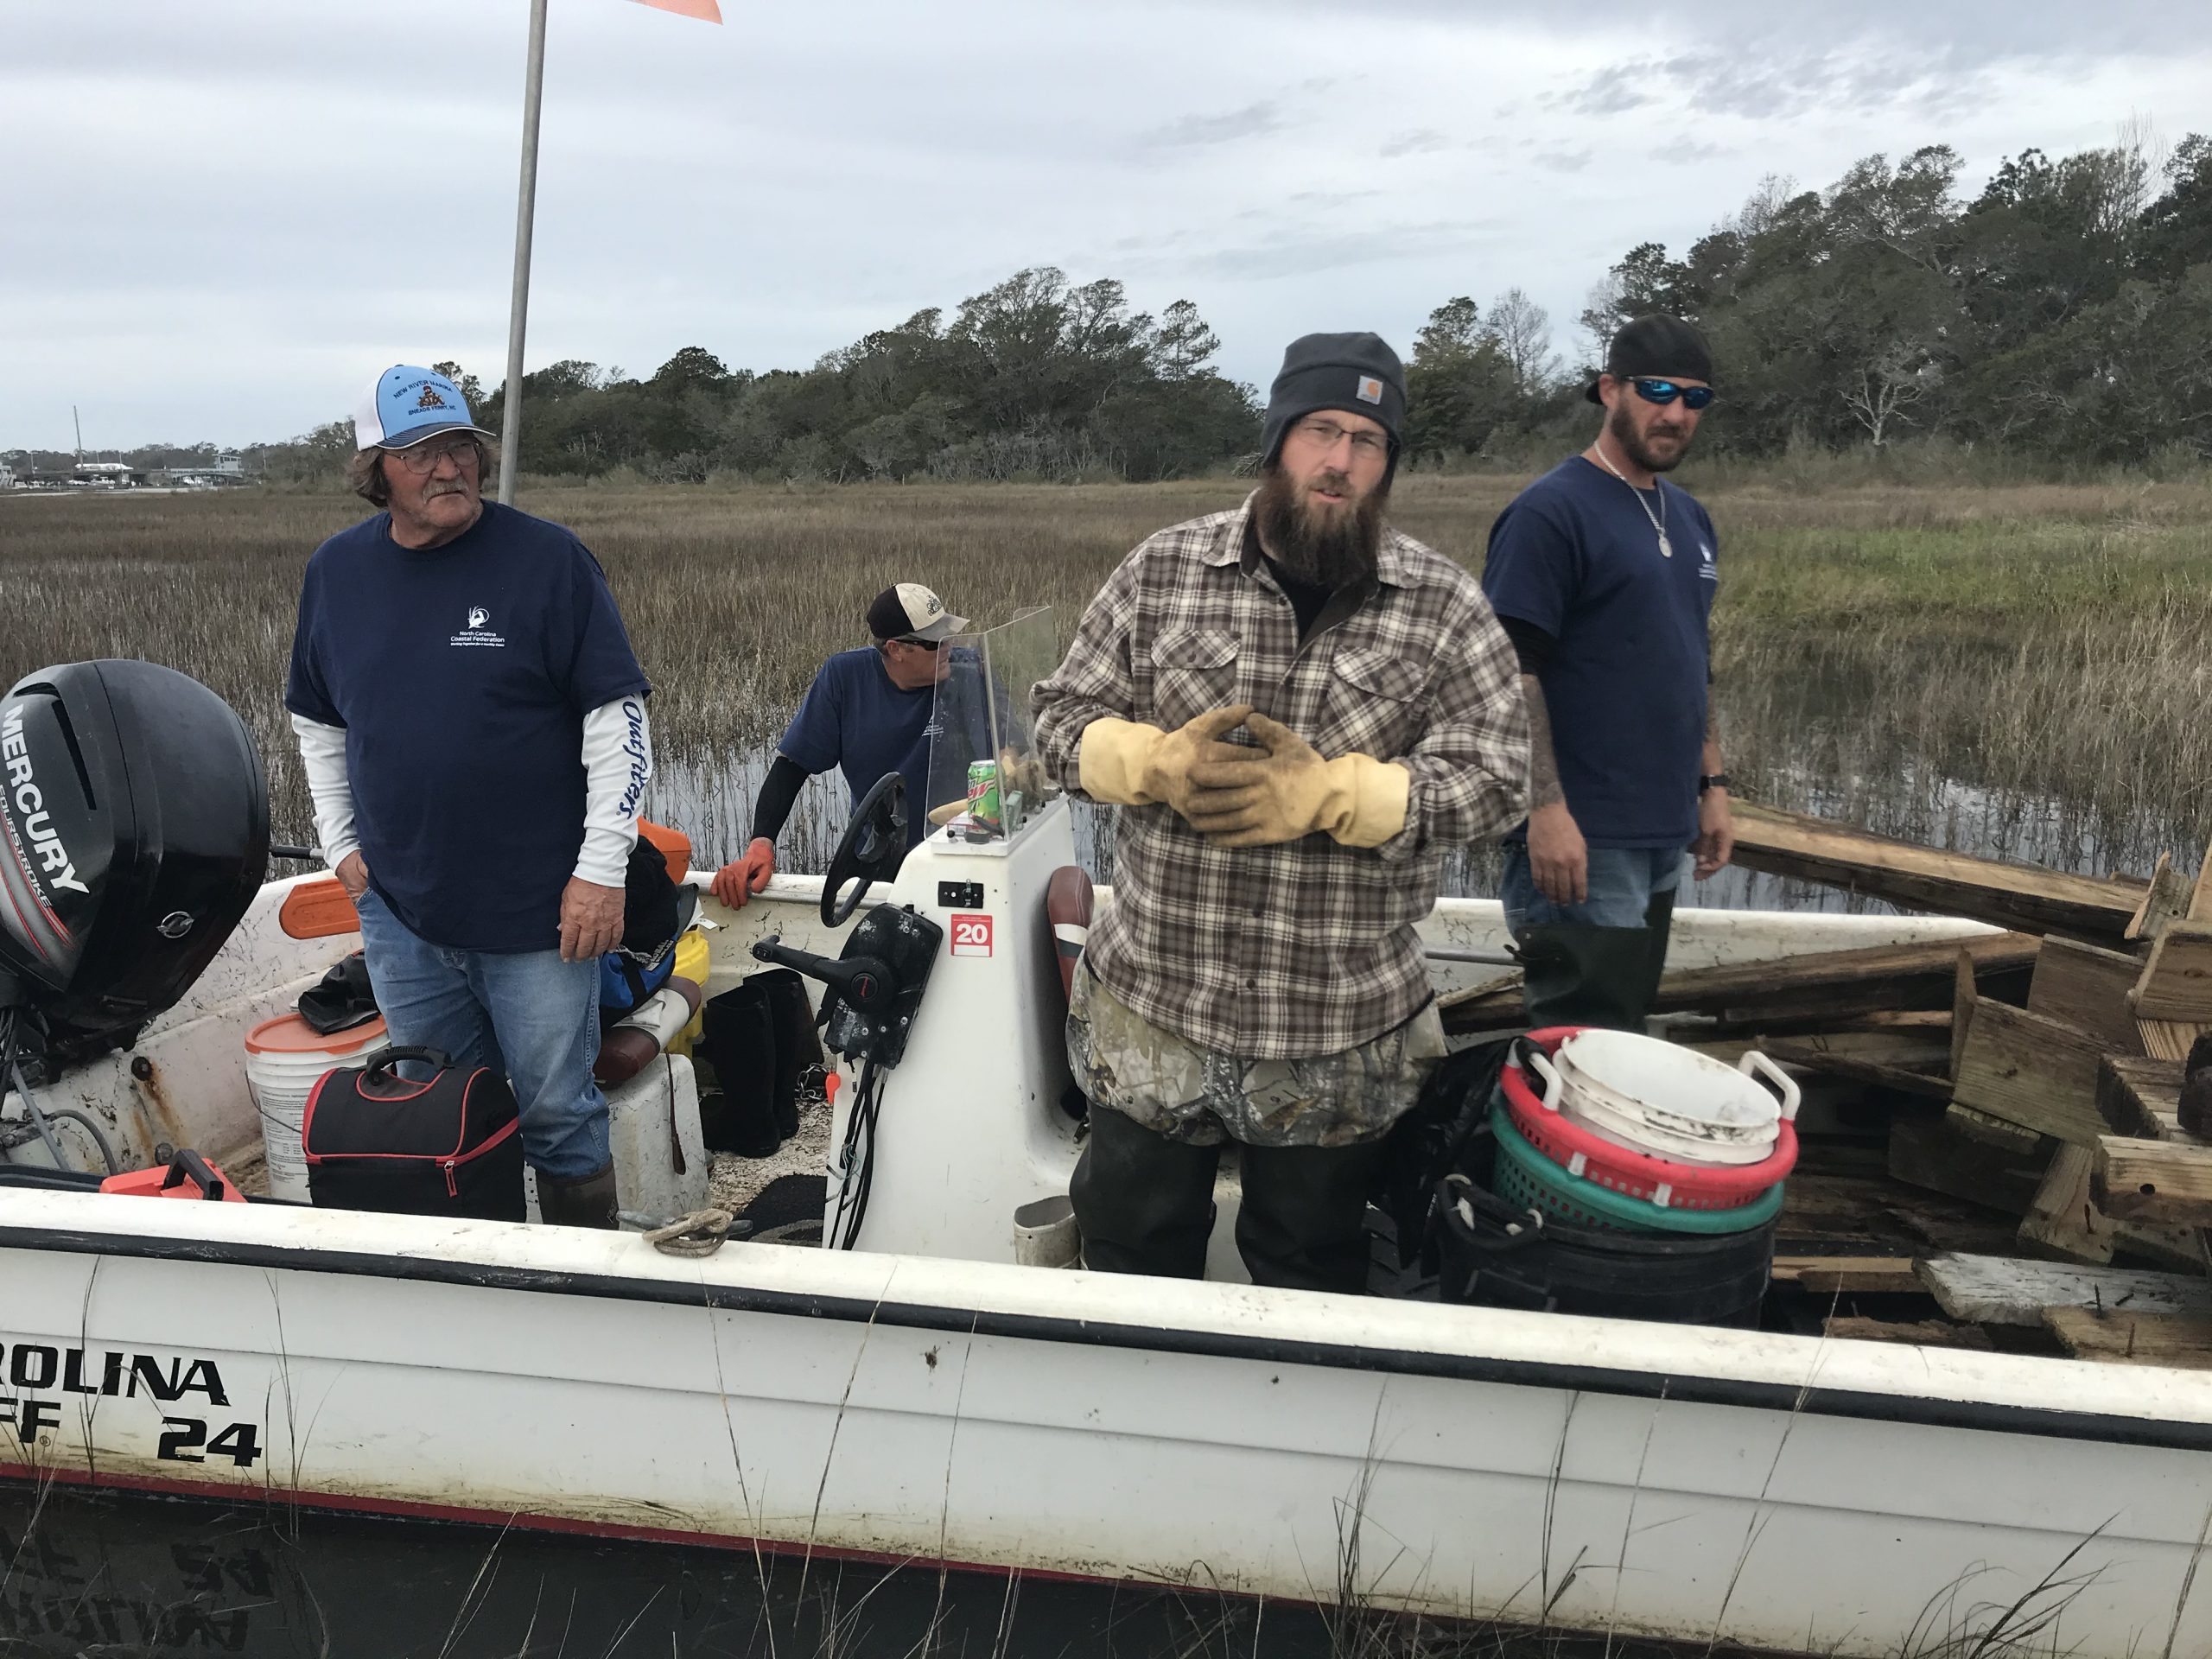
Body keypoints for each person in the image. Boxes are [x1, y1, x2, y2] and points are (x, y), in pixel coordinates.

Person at [1032, 332, 1529, 1294]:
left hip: (1338, 1030)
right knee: (1130, 1251)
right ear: (1276, 442)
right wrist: (1153, 761)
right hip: (1157, 1010)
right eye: (1319, 431)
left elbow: (1499, 779)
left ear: (1388, 466)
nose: (1339, 461)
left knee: (1313, 1268)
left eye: (1367, 442)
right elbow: (1057, 723)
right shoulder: (1163, 569)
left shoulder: (1441, 604)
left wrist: (1339, 793)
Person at [286, 365, 653, 1229]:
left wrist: (602, 871)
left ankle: (579, 1279)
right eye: (420, 453)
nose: (448, 468)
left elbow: (618, 723)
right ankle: (482, 1276)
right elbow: (319, 725)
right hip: (401, 912)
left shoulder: (548, 560)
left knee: (558, 1115)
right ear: (376, 471)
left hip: (539, 916)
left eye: (461, 447)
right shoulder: (336, 572)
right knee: (435, 1109)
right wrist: (342, 849)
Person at [1479, 315, 1734, 1030]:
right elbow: (1508, 673)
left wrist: (1711, 787)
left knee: (1623, 1028)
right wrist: (1546, 811)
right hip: (1582, 836)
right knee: (1582, 1040)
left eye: (1696, 399)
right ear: (1609, 390)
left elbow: (1692, 657)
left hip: (1662, 827)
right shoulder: (1550, 512)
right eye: (1658, 391)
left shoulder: (1690, 518)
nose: (1677, 414)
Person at [711, 583, 974, 908]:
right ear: (896, 649)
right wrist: (761, 844)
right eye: (937, 642)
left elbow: (1010, 754)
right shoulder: (844, 677)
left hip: (961, 855)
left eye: (950, 635)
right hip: (877, 860)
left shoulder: (969, 670)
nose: (950, 646)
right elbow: (792, 767)